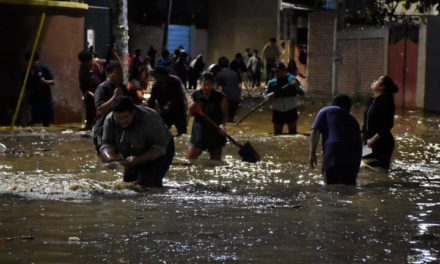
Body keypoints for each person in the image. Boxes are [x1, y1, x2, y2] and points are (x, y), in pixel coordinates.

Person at [100, 96, 174, 188]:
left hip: (160, 149)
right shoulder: (110, 120)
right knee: (128, 185)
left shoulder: (150, 118)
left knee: (147, 183)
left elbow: (159, 147)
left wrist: (138, 159)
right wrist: (110, 158)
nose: (122, 121)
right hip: (133, 149)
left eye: (125, 117)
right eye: (118, 117)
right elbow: (107, 143)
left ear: (133, 112)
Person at [309, 94, 362, 185]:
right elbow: (359, 141)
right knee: (349, 188)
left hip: (334, 153)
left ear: (333, 103)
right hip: (354, 156)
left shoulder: (325, 110)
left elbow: (315, 132)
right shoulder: (353, 119)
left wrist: (312, 153)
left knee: (330, 188)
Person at [187, 72, 228, 160]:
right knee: (190, 159)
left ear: (213, 85)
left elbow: (225, 116)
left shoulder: (220, 97)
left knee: (215, 163)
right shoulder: (195, 96)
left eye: (209, 85)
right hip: (199, 132)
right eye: (204, 84)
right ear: (200, 83)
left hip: (215, 131)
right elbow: (189, 114)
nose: (206, 87)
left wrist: (222, 125)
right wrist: (189, 110)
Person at [362, 75, 398, 169]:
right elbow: (366, 121)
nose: (374, 80)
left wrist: (373, 139)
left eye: (378, 80)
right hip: (368, 142)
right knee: (363, 165)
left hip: (381, 143)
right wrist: (362, 136)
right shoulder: (372, 100)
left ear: (382, 87)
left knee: (380, 171)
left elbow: (388, 124)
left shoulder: (387, 102)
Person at [93, 61, 128, 154]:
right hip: (103, 130)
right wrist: (114, 98)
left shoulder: (123, 87)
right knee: (106, 159)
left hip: (120, 130)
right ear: (109, 74)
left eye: (122, 73)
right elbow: (100, 110)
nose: (121, 76)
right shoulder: (102, 88)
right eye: (118, 73)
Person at [264, 62, 304, 135]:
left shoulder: (292, 79)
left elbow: (302, 93)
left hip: (291, 109)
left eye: (278, 72)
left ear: (284, 71)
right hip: (277, 110)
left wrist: (296, 87)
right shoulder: (272, 82)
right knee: (277, 135)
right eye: (275, 72)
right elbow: (265, 96)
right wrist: (269, 95)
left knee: (293, 135)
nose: (276, 74)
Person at [148, 66, 188, 136]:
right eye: (155, 77)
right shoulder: (156, 86)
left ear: (164, 75)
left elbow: (178, 97)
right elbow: (152, 100)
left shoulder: (175, 82)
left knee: (183, 134)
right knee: (162, 134)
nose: (156, 78)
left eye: (157, 76)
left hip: (178, 111)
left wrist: (168, 105)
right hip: (165, 114)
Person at [25, 52, 55, 127]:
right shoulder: (26, 73)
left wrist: (44, 81)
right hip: (34, 100)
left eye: (34, 61)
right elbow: (25, 87)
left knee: (46, 121)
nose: (32, 63)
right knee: (35, 121)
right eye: (30, 62)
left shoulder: (44, 69)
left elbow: (53, 82)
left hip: (45, 99)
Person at [78, 49, 105, 130]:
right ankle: (89, 126)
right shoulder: (83, 71)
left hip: (101, 90)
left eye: (91, 59)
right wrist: (92, 94)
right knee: (90, 111)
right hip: (91, 94)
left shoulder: (99, 64)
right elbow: (84, 88)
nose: (91, 62)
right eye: (88, 61)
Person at [216, 57, 241, 122]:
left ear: (219, 65)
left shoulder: (219, 74)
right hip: (236, 98)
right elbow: (239, 86)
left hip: (227, 99)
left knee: (223, 120)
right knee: (230, 119)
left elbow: (219, 90)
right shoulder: (235, 73)